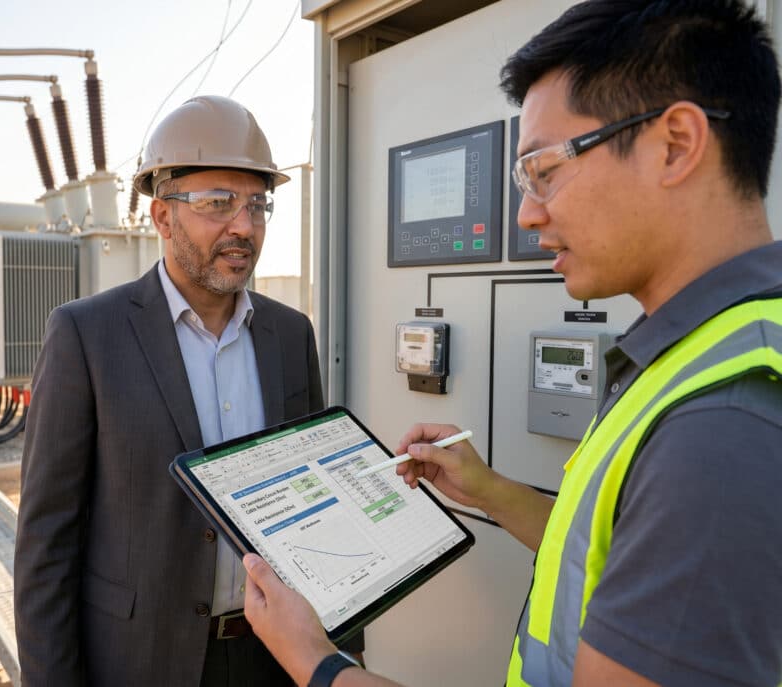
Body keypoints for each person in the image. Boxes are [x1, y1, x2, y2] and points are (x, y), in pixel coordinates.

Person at [242, 1, 782, 686]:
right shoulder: (712, 350)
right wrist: (490, 490)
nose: (527, 215)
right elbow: (604, 547)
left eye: (545, 170)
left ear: (675, 143)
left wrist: (316, 662)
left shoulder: (722, 424)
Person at [14, 94, 360, 686]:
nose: (244, 227)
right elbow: (48, 541)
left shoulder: (288, 333)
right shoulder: (87, 335)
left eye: (257, 204)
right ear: (162, 216)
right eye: (218, 203)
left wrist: (338, 655)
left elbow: (314, 506)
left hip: (270, 660)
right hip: (138, 659)